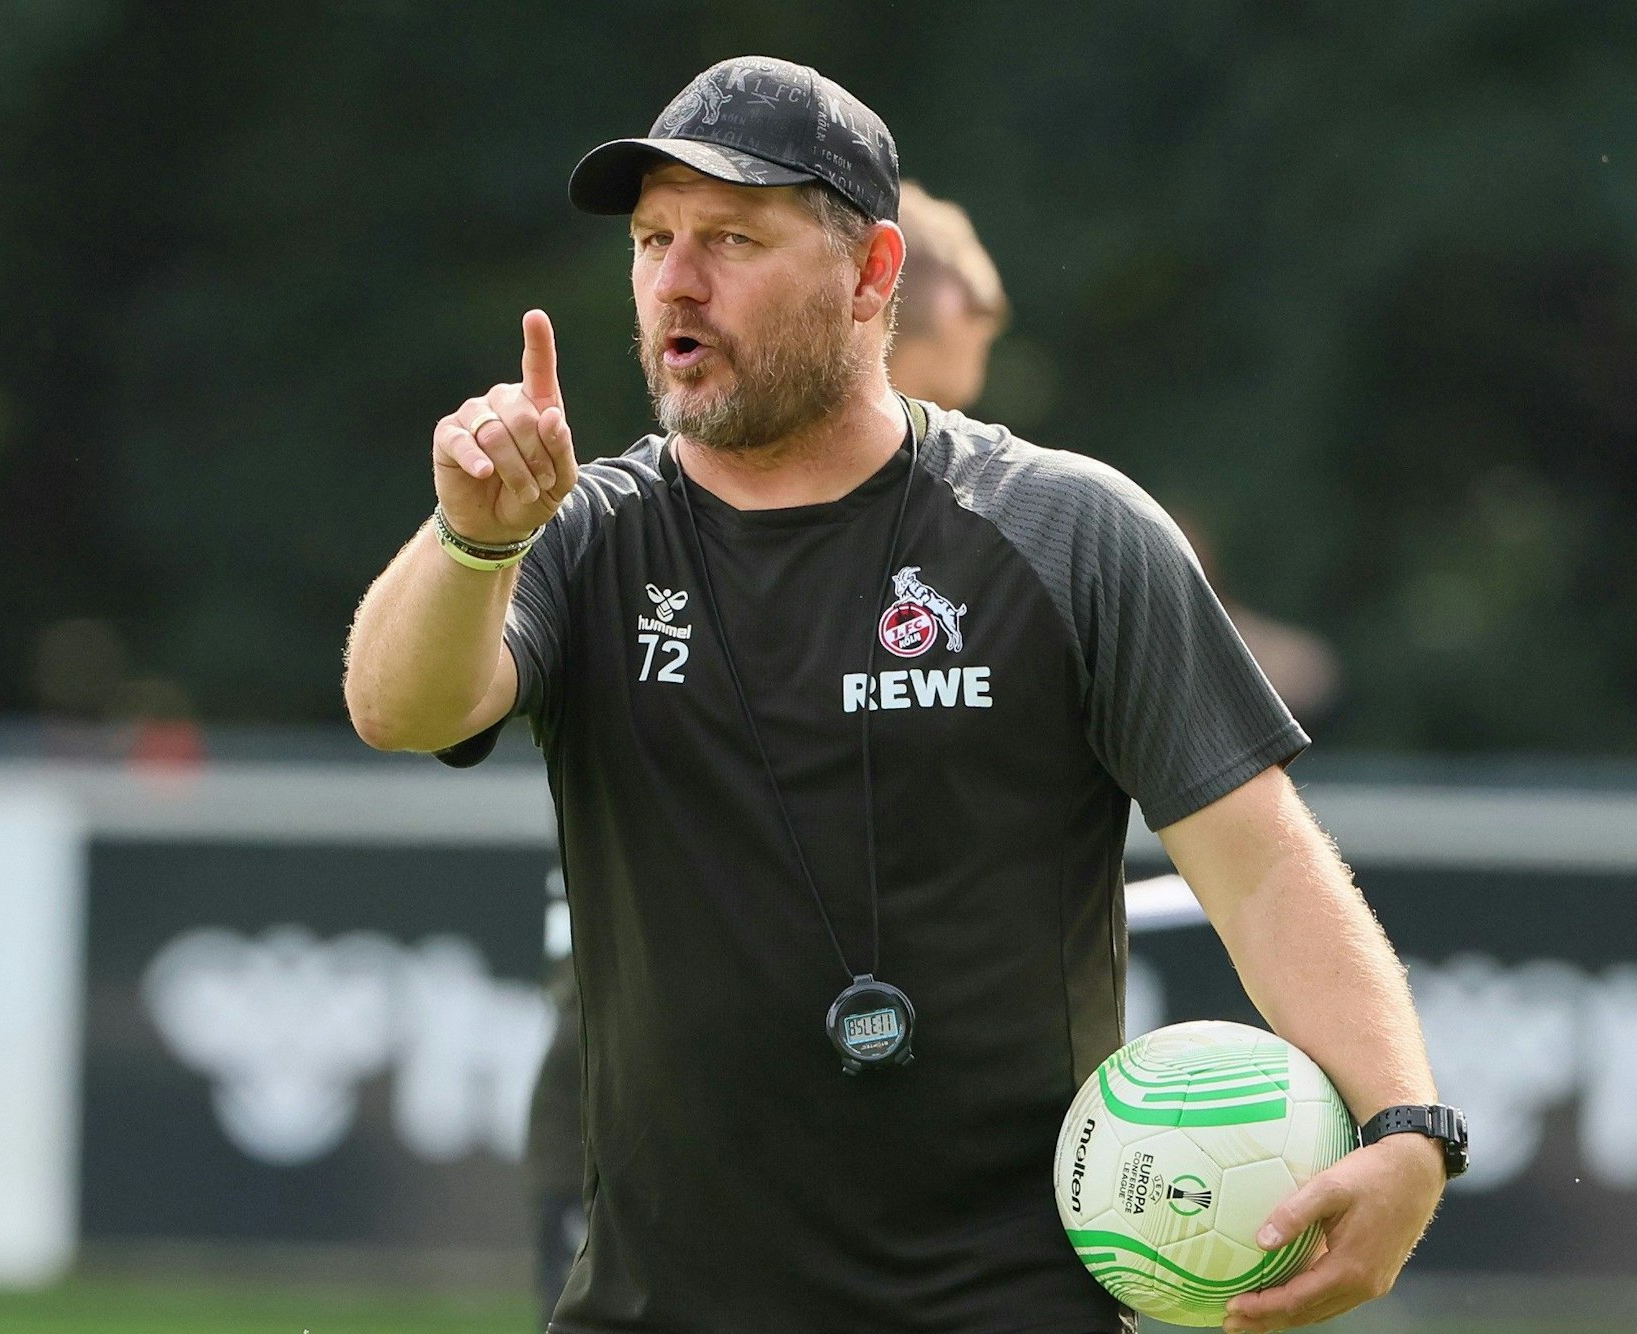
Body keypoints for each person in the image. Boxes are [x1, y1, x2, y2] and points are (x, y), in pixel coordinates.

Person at [344, 56, 1462, 1334]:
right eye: (654, 240)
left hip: (1008, 1306)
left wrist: (1406, 1120)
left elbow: (1259, 863)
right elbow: (401, 706)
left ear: (875, 272)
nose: (676, 282)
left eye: (731, 238)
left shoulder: (1068, 531)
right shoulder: (587, 533)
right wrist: (473, 538)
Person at [520, 176, 1015, 1327]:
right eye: (944, 381)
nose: (953, 434)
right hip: (648, 1135)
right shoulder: (637, 539)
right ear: (877, 308)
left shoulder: (997, 537)